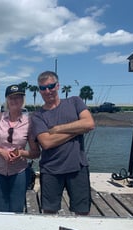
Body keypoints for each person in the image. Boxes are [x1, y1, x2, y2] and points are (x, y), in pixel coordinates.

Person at [31, 71, 95, 215]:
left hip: (78, 167)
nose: (47, 91)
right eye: (43, 88)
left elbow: (89, 123)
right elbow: (46, 142)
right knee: (49, 212)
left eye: (51, 86)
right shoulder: (37, 116)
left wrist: (59, 128)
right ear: (39, 90)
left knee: (82, 212)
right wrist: (78, 129)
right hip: (50, 170)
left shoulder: (74, 102)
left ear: (58, 86)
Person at [0, 84, 40, 213]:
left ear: (23, 100)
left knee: (17, 209)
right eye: (11, 98)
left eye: (18, 97)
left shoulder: (29, 122)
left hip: (19, 172)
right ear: (7, 100)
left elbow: (35, 152)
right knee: (0, 209)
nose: (15, 100)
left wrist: (21, 153)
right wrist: (1, 151)